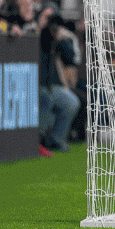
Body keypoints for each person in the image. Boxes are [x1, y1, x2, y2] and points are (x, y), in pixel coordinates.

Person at [39, 14, 81, 152]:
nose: (53, 27)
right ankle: (39, 140)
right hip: (38, 85)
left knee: (72, 101)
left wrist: (63, 39)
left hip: (53, 85)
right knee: (46, 97)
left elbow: (71, 58)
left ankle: (57, 139)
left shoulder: (58, 40)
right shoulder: (36, 36)